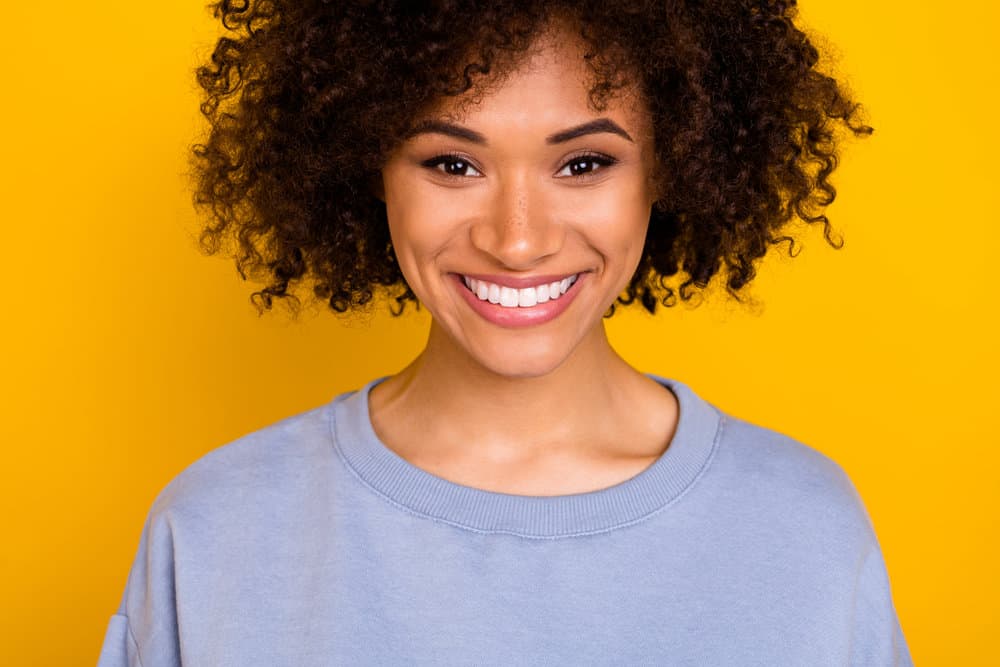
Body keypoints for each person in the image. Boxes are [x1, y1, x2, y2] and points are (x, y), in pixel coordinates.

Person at [99, 1, 912, 664]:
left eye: (584, 163)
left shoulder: (804, 530)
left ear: (671, 164)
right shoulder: (214, 535)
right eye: (453, 164)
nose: (517, 239)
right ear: (366, 166)